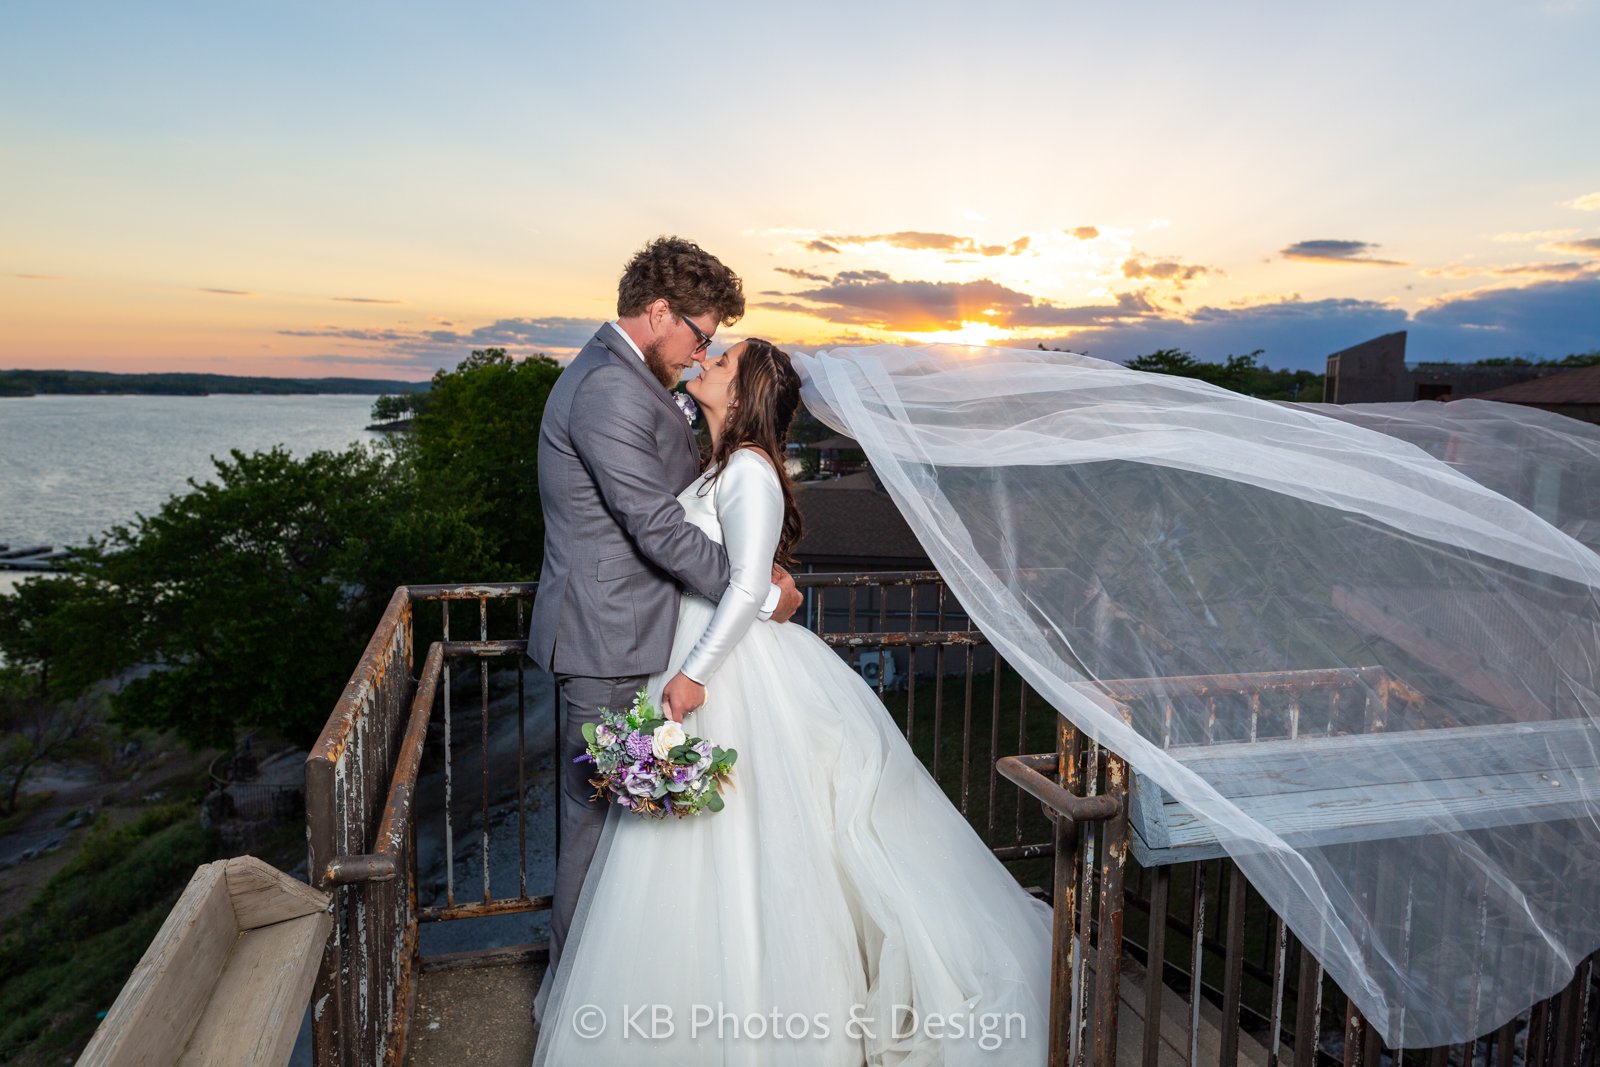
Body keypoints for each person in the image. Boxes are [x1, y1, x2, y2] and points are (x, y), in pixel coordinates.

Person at [531, 339, 1052, 1066]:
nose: (708, 356)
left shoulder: (749, 470)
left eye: (725, 358)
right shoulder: (719, 463)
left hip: (723, 671)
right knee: (681, 841)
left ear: (744, 394)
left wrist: (694, 676)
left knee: (744, 841)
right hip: (688, 657)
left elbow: (746, 588)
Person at [525, 237, 803, 979]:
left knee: (636, 836)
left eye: (712, 346)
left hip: (636, 639)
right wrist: (760, 593)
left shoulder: (627, 377)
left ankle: (624, 984)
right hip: (608, 644)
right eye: (700, 336)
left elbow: (693, 504)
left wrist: (754, 565)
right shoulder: (611, 388)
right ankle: (575, 998)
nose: (700, 353)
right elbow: (654, 523)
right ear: (658, 313)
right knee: (597, 830)